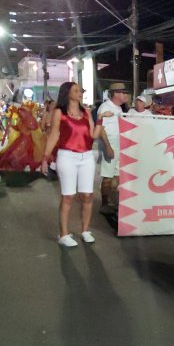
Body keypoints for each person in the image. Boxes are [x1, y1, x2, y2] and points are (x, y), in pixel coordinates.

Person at [41, 82, 105, 247]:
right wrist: (45, 158)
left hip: (87, 157)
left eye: (80, 90)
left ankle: (85, 230)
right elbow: (54, 135)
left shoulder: (86, 112)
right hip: (67, 156)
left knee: (87, 195)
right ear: (67, 93)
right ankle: (63, 234)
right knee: (68, 196)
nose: (80, 92)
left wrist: (100, 121)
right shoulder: (59, 112)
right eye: (76, 90)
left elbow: (92, 135)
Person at [97, 83, 129, 214]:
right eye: (123, 92)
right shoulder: (105, 107)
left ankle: (111, 200)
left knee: (116, 175)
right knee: (107, 175)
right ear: (115, 93)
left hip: (119, 144)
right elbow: (101, 129)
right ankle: (104, 203)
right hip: (110, 145)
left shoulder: (119, 108)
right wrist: (108, 147)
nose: (125, 95)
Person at [0, 103, 46, 174]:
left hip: (26, 142)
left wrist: (29, 125)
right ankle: (15, 171)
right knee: (11, 155)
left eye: (22, 111)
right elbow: (18, 128)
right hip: (20, 140)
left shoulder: (30, 120)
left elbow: (34, 127)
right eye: (20, 111)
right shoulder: (21, 120)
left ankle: (18, 172)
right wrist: (11, 125)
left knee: (17, 156)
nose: (20, 112)